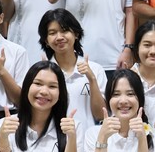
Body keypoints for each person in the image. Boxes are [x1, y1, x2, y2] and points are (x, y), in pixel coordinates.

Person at [39, 8, 107, 137]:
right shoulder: (41, 73)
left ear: (76, 34)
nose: (59, 37)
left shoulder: (95, 69)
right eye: (52, 33)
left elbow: (101, 116)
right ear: (46, 41)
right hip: (52, 141)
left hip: (88, 140)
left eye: (64, 30)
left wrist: (91, 79)